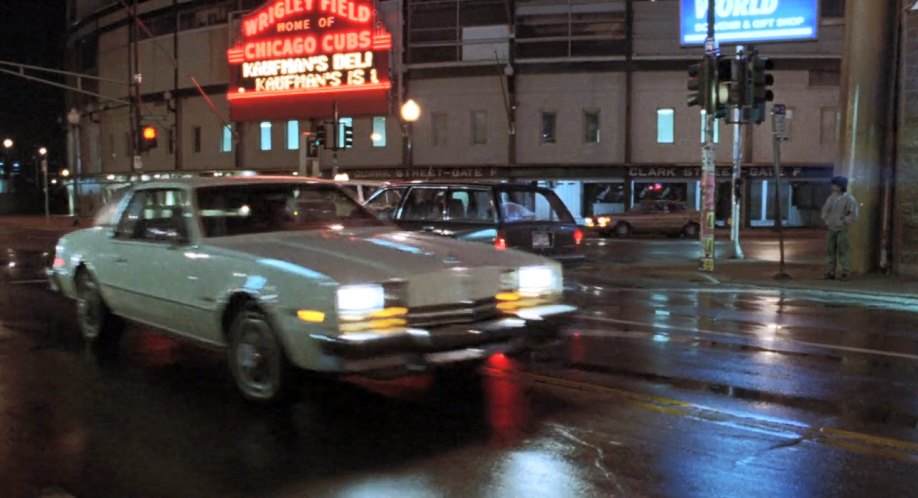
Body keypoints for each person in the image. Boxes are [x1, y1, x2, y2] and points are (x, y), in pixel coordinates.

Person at [820, 176, 859, 280]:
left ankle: (845, 271)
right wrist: (827, 220)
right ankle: (830, 271)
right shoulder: (831, 198)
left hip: (842, 229)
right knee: (830, 251)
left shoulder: (849, 199)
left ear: (840, 186)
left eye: (835, 185)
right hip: (831, 228)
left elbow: (853, 215)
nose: (833, 187)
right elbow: (825, 210)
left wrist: (843, 222)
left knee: (843, 251)